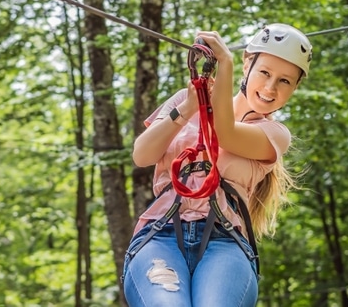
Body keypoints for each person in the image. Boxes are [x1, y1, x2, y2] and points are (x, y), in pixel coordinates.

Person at [124, 23, 312, 306]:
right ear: (249, 63)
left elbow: (225, 133)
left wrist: (225, 63)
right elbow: (142, 154)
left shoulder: (275, 135)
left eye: (285, 81)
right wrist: (188, 107)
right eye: (265, 72)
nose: (271, 88)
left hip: (223, 243)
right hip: (161, 235)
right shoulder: (183, 101)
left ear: (296, 87)